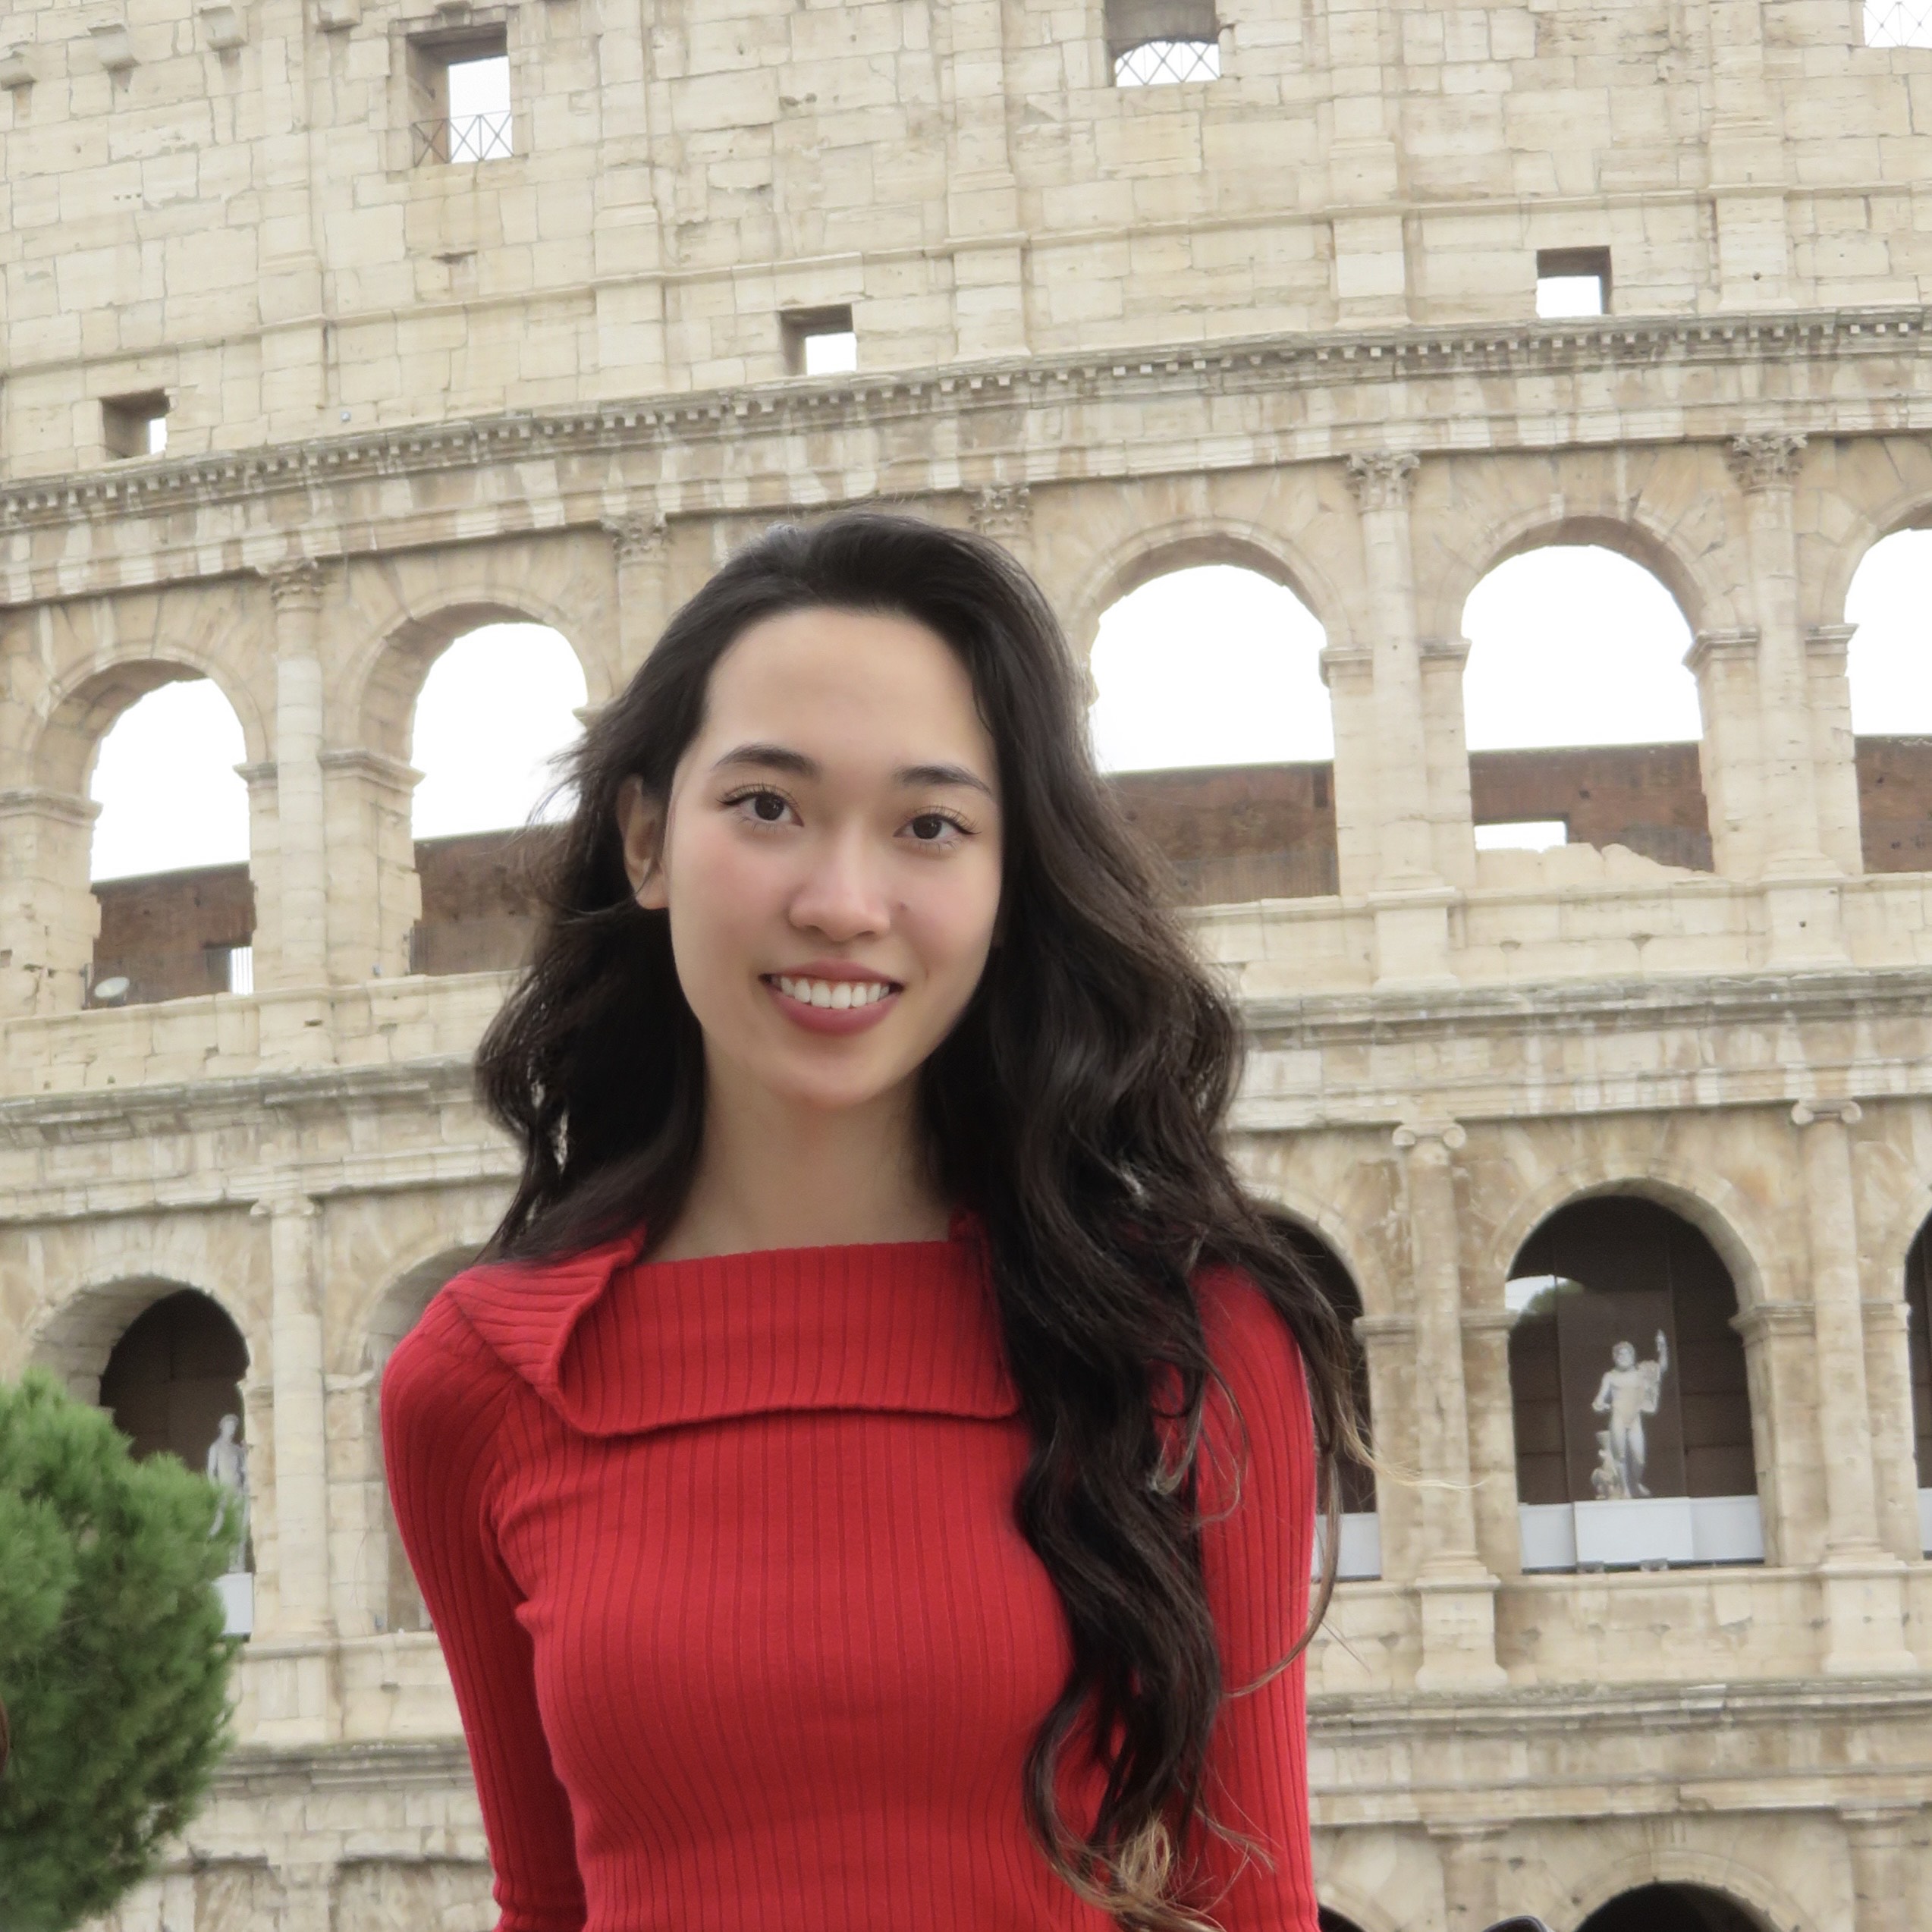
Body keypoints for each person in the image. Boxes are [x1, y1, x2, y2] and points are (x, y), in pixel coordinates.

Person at [382, 510, 1362, 1932]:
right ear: (647, 837)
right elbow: (548, 1908)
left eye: (929, 825)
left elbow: (1250, 1906)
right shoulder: (476, 1381)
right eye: (767, 806)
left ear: (1007, 881)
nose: (842, 901)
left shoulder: (1193, 1340)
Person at [1591, 1332, 1669, 1499]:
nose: (1622, 1357)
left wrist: (1663, 1348)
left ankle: (1636, 1482)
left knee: (1639, 1457)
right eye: (1619, 1354)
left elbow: (1661, 1368)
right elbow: (1600, 1397)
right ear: (1615, 1357)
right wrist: (1599, 1404)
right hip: (1618, 1416)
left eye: (1626, 1354)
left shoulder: (1641, 1373)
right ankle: (1625, 1489)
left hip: (1635, 1418)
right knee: (1621, 1455)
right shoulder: (1610, 1376)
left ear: (1632, 1356)